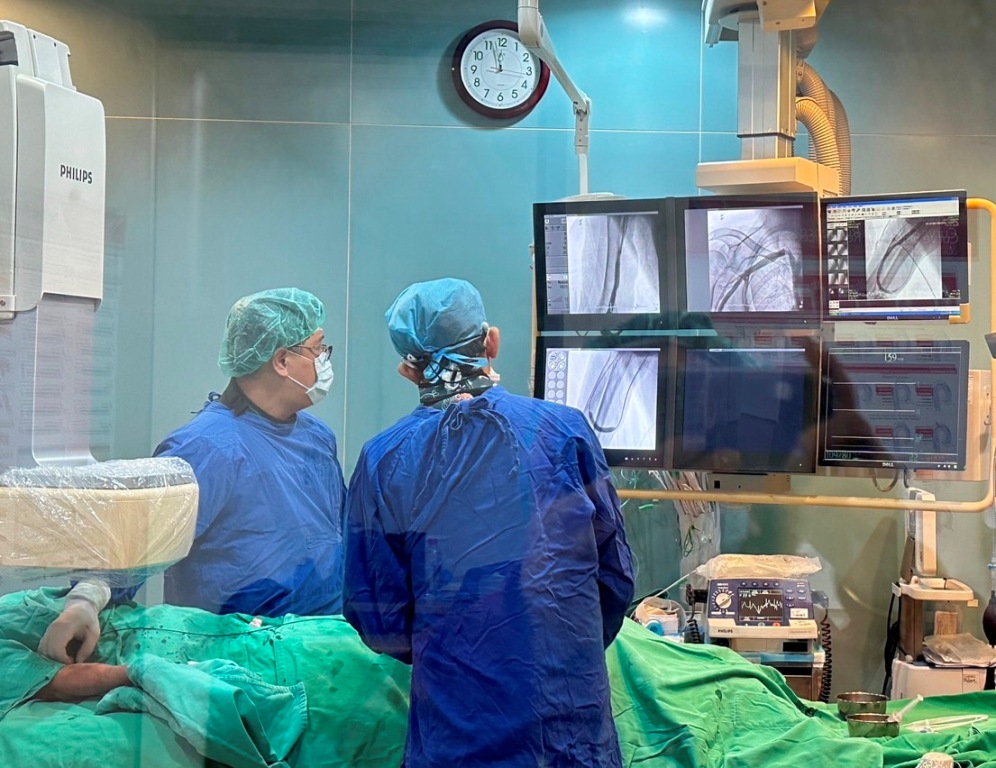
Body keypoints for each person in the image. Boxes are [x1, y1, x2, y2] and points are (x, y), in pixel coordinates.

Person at [343, 278, 635, 768]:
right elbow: (615, 577)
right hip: (569, 727)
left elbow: (379, 618)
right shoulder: (564, 432)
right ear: (491, 342)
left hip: (457, 731)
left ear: (407, 369)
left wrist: (459, 654)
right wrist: (560, 646)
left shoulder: (384, 459)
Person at [39, 287, 346, 664]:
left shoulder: (316, 437)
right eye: (317, 348)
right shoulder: (207, 447)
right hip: (237, 654)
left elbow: (337, 534)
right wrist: (84, 602)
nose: (324, 359)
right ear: (281, 360)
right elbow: (136, 539)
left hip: (326, 642)